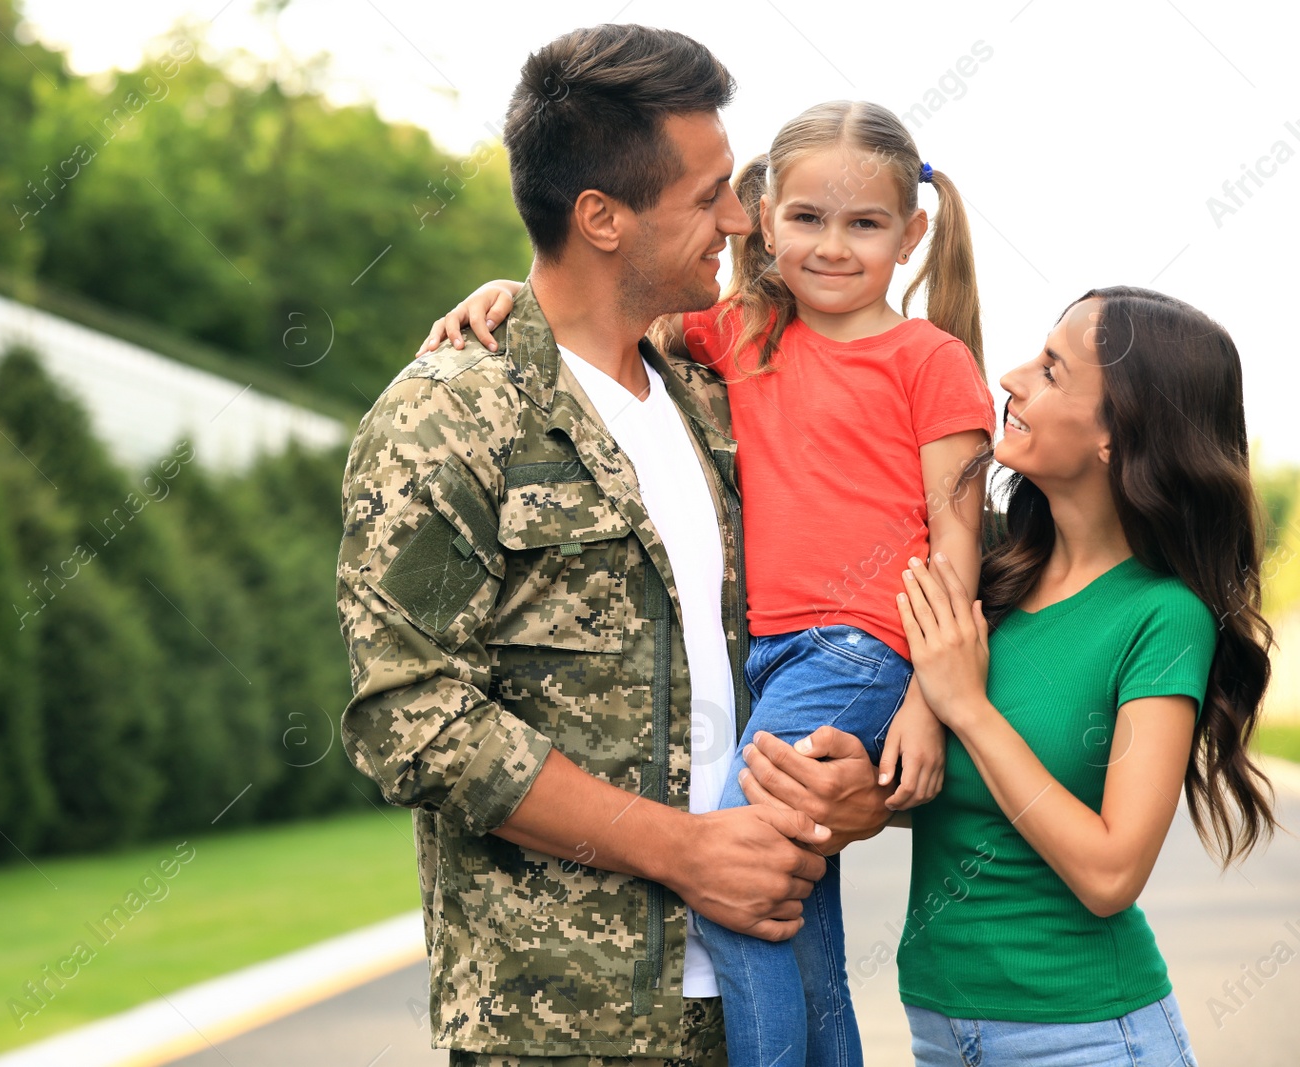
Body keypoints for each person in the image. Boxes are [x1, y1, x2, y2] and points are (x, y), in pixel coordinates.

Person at [337, 26, 895, 1067]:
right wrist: (687, 854)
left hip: (761, 995)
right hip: (566, 1029)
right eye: (711, 194)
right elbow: (407, 714)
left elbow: (842, 608)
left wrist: (874, 785)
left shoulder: (721, 400)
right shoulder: (451, 415)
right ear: (601, 216)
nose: (743, 221)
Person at [419, 100, 995, 1067]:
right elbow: (589, 310)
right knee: (790, 905)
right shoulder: (740, 336)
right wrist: (503, 294)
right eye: (807, 218)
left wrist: (932, 704)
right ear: (765, 220)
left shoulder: (928, 360)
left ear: (913, 233)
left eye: (865, 224)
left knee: (733, 874)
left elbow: (957, 538)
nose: (832, 246)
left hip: (860, 646)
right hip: (766, 654)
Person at [893, 287, 1277, 1066]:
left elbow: (1111, 872)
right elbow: (942, 794)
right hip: (939, 1027)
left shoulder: (1163, 617)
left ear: (1117, 435)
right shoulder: (988, 577)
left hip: (1084, 1038)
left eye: (1052, 371)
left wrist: (968, 707)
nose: (1010, 376)